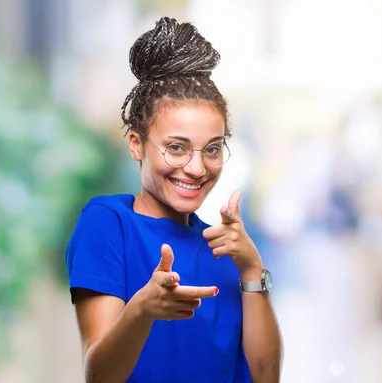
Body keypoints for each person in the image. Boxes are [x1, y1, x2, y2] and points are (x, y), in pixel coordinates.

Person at [65, 17, 283, 383]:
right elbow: (99, 376)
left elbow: (266, 377)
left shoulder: (228, 251)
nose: (197, 168)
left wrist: (252, 272)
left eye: (212, 149)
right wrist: (142, 310)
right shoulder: (108, 223)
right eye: (177, 148)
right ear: (137, 144)